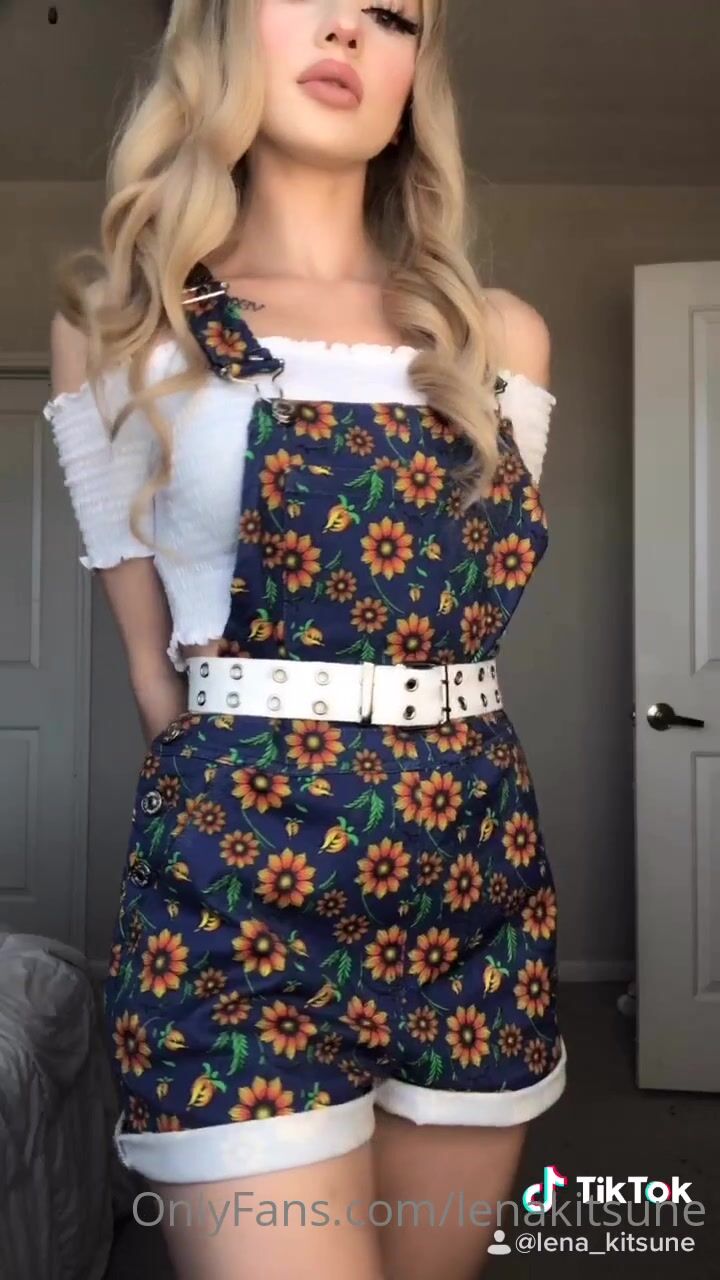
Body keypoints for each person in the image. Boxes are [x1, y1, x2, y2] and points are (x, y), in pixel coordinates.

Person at [44, 2, 567, 1276]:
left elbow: (463, 607)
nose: (348, 29)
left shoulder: (494, 335)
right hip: (238, 897)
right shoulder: (126, 326)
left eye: (392, 15)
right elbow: (155, 675)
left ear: (415, 74)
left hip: (474, 883)